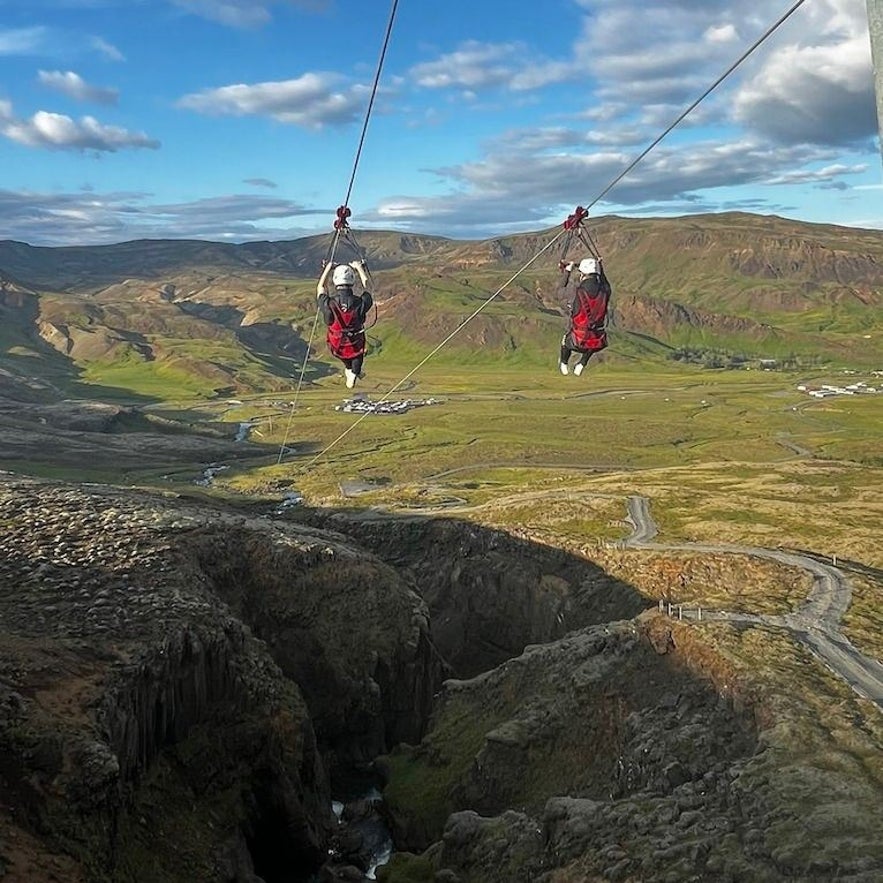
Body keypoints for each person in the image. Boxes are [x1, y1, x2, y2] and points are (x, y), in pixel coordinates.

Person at [316, 259, 374, 389]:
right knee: (357, 357)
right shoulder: (359, 303)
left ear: (336, 281)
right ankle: (354, 372)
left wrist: (327, 269)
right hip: (355, 341)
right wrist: (359, 268)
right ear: (352, 281)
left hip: (336, 344)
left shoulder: (329, 304)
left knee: (346, 358)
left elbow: (321, 288)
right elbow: (368, 289)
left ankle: (351, 371)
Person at [558, 256, 611, 376]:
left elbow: (560, 291)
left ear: (582, 274)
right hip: (597, 341)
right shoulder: (605, 291)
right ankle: (582, 363)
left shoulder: (575, 291)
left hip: (578, 340)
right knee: (591, 340)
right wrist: (600, 267)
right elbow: (605, 283)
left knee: (565, 341)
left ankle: (563, 363)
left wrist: (567, 272)